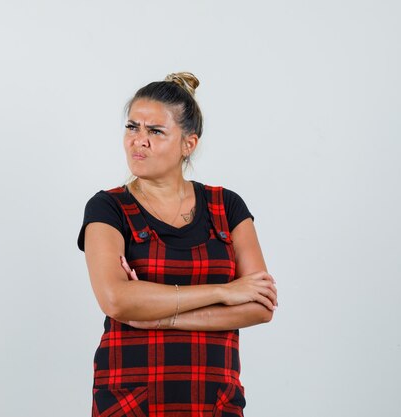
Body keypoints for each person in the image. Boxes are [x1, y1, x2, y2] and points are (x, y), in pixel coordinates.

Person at [77, 72, 278, 417]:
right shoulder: (107, 208)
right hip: (130, 402)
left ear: (189, 144)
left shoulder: (227, 206)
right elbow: (116, 299)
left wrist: (159, 317)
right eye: (132, 127)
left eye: (155, 131)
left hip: (214, 402)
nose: (139, 140)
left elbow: (260, 306)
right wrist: (225, 291)